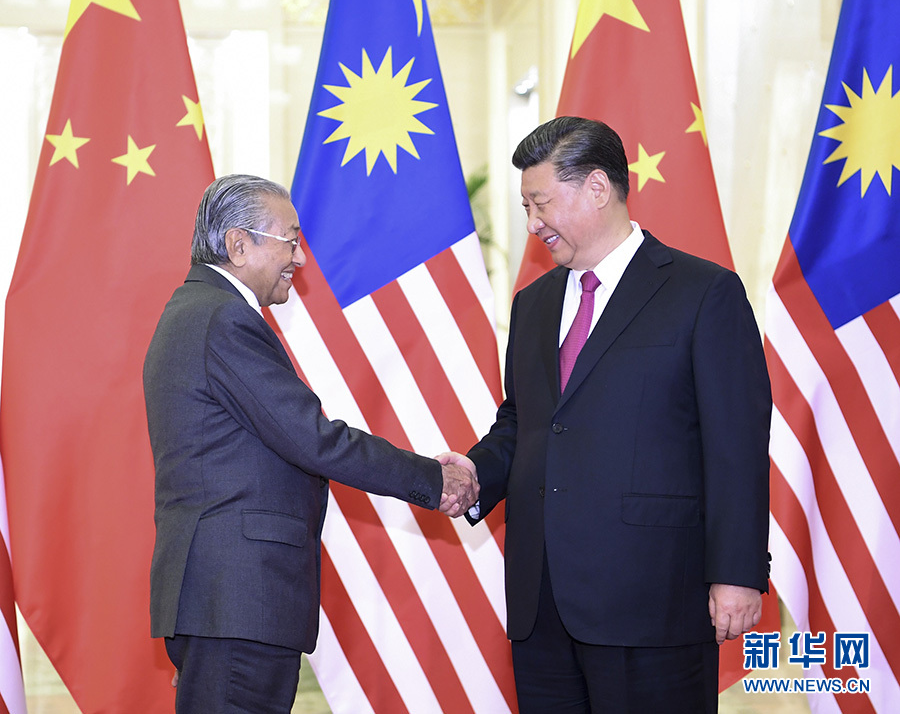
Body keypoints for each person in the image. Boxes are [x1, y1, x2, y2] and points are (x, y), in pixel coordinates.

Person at [439, 117, 771, 713]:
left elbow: (737, 446)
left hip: (653, 601)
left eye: (540, 203)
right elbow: (524, 422)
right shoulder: (533, 303)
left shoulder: (703, 293)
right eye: (525, 207)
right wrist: (473, 472)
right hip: (542, 605)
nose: (532, 223)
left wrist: (737, 573)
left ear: (596, 188)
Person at [143, 174, 478, 713]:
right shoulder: (221, 318)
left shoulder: (197, 312)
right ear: (238, 245)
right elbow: (313, 439)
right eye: (290, 241)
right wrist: (432, 479)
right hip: (237, 601)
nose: (299, 258)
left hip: (224, 603)